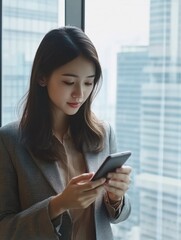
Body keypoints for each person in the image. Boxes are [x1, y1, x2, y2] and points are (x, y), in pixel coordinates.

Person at [0, 26, 132, 240]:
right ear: (42, 77)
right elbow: (4, 229)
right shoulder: (9, 141)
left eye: (88, 82)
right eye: (69, 82)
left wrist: (116, 198)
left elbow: (118, 217)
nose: (80, 94)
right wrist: (58, 204)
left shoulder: (103, 134)